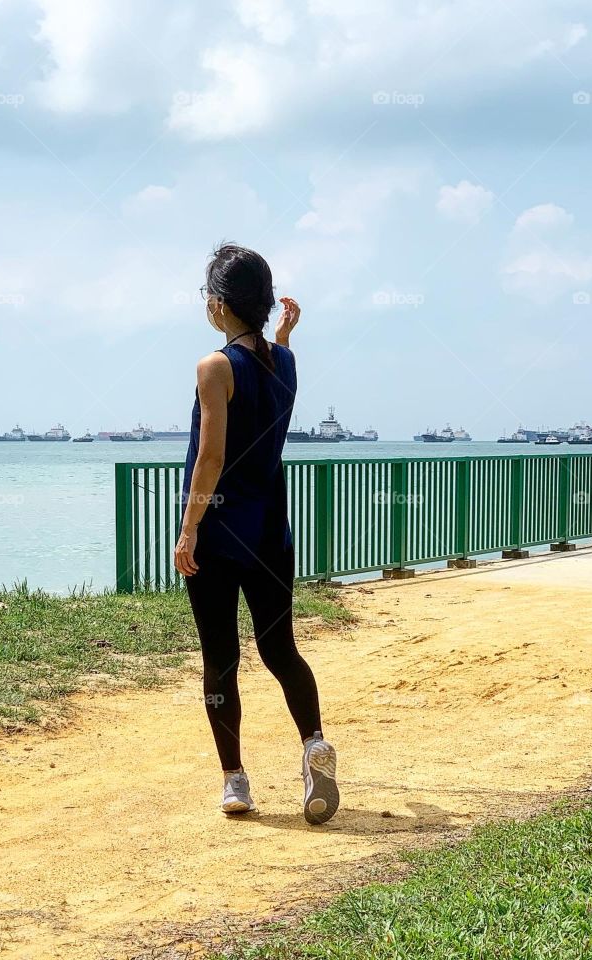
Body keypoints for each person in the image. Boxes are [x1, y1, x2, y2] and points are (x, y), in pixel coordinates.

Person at [174, 243, 340, 825]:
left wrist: (189, 528)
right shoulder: (284, 364)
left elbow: (210, 458)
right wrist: (286, 335)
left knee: (221, 659)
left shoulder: (212, 367)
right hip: (270, 531)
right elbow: (267, 380)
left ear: (218, 303)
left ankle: (236, 781)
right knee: (280, 649)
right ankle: (314, 743)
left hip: (220, 534)